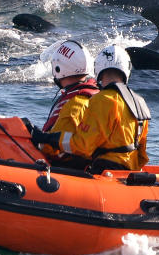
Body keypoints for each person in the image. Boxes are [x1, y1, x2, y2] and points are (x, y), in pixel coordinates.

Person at [31, 44, 150, 174]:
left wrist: (47, 138)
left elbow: (83, 146)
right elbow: (142, 155)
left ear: (97, 68)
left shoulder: (102, 100)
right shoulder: (140, 102)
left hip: (105, 170)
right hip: (129, 173)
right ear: (127, 69)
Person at [35, 39, 99, 169]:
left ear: (58, 68)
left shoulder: (74, 103)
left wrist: (35, 139)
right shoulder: (96, 94)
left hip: (69, 168)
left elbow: (52, 147)